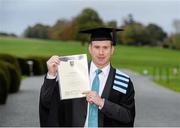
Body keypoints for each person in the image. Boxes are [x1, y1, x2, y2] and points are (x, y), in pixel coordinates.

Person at [39, 27, 135, 127]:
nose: (101, 52)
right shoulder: (73, 72)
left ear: (112, 50)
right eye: (97, 47)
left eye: (105, 48)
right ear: (90, 48)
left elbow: (128, 116)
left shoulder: (123, 82)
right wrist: (51, 75)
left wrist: (102, 103)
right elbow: (48, 103)